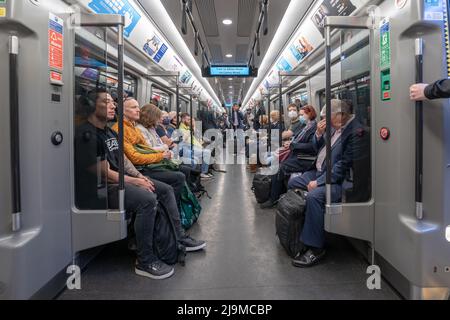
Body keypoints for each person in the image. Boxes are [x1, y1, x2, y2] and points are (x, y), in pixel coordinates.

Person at [75, 89, 204, 280]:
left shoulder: (109, 131)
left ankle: (179, 236)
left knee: (166, 189)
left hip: (121, 178)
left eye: (113, 102)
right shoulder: (88, 134)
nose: (113, 105)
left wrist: (140, 177)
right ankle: (145, 259)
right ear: (92, 106)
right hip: (100, 187)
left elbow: (124, 161)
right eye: (107, 102)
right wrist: (135, 180)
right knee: (147, 199)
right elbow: (105, 173)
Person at [288, 99, 368, 267]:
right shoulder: (334, 128)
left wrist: (319, 182)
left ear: (340, 115)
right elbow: (317, 147)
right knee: (293, 183)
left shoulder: (356, 132)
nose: (325, 121)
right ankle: (304, 231)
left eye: (328, 117)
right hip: (320, 171)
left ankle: (315, 248)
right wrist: (318, 133)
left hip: (343, 181)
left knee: (314, 196)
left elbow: (344, 166)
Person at [112, 98, 185, 208]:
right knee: (177, 178)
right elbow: (134, 157)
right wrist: (161, 156)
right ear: (122, 110)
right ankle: (169, 215)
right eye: (133, 107)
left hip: (144, 165)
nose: (138, 110)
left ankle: (173, 214)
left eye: (138, 107)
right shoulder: (120, 129)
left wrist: (161, 155)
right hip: (139, 168)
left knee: (179, 172)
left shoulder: (134, 128)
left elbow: (147, 149)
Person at [260, 105, 318, 209]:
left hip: (305, 158)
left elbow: (312, 146)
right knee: (275, 164)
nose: (300, 117)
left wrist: (293, 145)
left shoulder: (314, 128)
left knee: (278, 168)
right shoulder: (306, 126)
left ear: (309, 114)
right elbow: (297, 140)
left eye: (301, 115)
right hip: (298, 154)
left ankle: (273, 199)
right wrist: (291, 143)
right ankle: (276, 194)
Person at [178, 113, 214, 179]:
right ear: (183, 120)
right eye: (188, 120)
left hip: (193, 146)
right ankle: (203, 173)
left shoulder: (187, 128)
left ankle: (204, 171)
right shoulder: (182, 129)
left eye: (191, 120)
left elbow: (195, 138)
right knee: (207, 152)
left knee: (208, 149)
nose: (190, 121)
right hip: (188, 148)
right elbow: (186, 141)